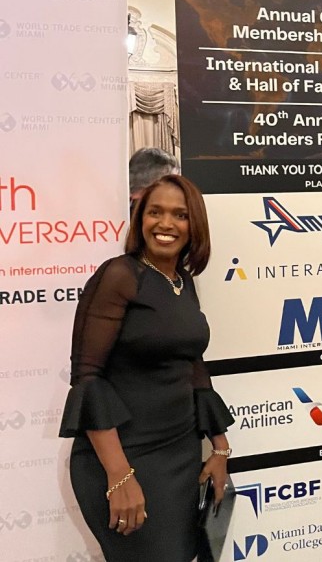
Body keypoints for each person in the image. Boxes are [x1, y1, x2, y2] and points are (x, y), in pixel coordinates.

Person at [59, 174, 234, 562]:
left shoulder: (182, 282)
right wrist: (119, 475)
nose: (165, 224)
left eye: (180, 215)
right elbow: (88, 378)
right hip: (125, 457)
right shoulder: (119, 276)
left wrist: (220, 448)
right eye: (155, 212)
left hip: (181, 455)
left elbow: (192, 366)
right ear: (140, 219)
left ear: (194, 225)